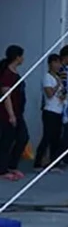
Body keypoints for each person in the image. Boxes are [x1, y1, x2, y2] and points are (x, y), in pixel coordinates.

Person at [34, 54, 67, 171]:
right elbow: (49, 93)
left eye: (59, 63)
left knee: (56, 138)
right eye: (55, 63)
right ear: (50, 64)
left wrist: (63, 95)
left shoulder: (58, 77)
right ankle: (37, 162)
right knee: (47, 137)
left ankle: (53, 163)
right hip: (49, 111)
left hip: (59, 110)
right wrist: (58, 84)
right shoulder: (47, 77)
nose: (58, 65)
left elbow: (61, 93)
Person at [0, 45, 28, 181]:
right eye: (22, 55)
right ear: (17, 57)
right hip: (7, 114)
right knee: (7, 141)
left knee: (23, 137)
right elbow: (6, 95)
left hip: (18, 112)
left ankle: (12, 165)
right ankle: (3, 170)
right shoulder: (7, 73)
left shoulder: (15, 72)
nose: (23, 58)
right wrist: (11, 115)